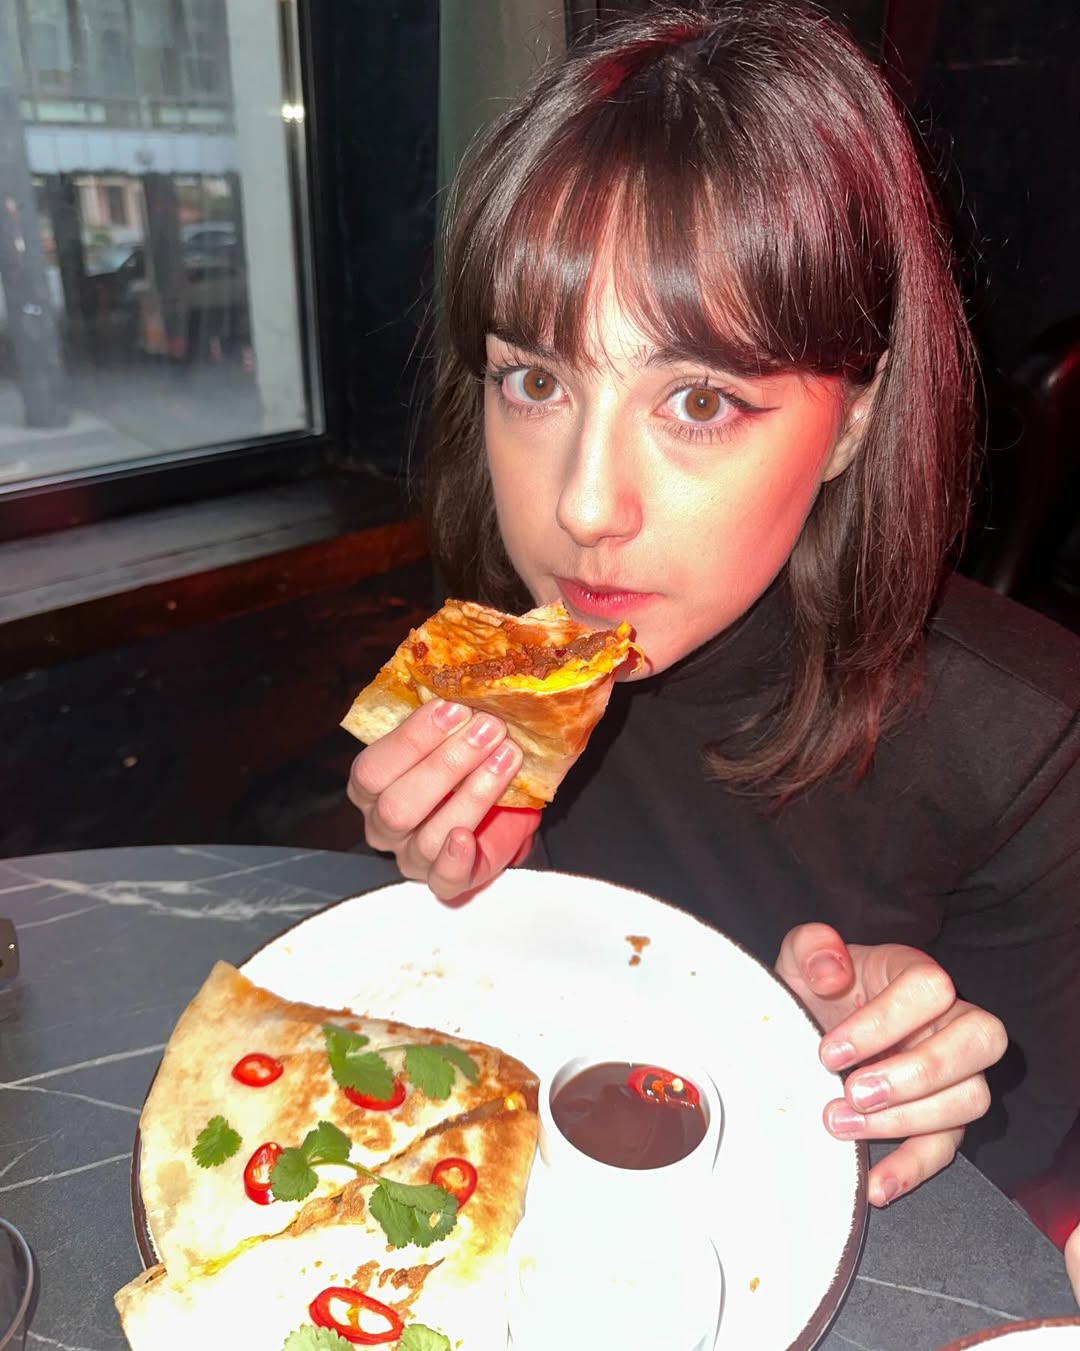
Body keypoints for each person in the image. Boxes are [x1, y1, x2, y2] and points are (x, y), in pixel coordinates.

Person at [347, 1, 1080, 1212]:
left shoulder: (1034, 746)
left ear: (852, 419)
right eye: (534, 380)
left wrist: (897, 1086)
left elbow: (1022, 1208)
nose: (584, 505)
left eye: (698, 401)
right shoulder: (520, 654)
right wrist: (473, 883)